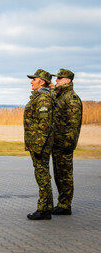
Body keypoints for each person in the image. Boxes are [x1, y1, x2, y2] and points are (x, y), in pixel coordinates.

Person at [24, 69, 55, 220]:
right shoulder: (40, 97)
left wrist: (38, 145)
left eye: (34, 79)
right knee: (42, 175)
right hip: (37, 144)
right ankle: (46, 208)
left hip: (40, 145)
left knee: (42, 177)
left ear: (42, 81)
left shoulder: (43, 99)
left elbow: (44, 125)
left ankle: (43, 210)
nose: (31, 82)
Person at [51, 69, 82, 215]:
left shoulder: (71, 98)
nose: (56, 80)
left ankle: (65, 205)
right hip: (57, 142)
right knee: (58, 173)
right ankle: (62, 203)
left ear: (68, 80)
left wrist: (68, 144)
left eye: (60, 78)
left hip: (64, 144)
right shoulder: (60, 96)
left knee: (65, 174)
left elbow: (73, 124)